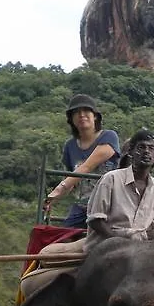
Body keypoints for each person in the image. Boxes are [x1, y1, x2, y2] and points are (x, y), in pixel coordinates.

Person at [43, 94, 120, 228]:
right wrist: (50, 201)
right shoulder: (70, 146)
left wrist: (58, 190)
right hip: (82, 206)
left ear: (95, 116)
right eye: (76, 112)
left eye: (86, 111)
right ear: (71, 119)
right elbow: (72, 181)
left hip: (109, 203)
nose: (82, 115)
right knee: (63, 236)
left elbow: (86, 167)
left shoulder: (109, 136)